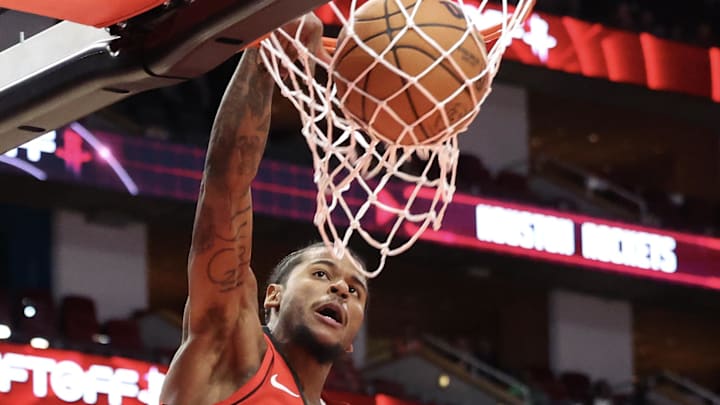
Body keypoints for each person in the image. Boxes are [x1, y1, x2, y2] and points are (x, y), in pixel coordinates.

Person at [159, 13, 369, 405]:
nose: (341, 288)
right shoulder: (232, 352)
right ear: (271, 297)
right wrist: (264, 53)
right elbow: (225, 187)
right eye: (321, 273)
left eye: (355, 291)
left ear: (351, 342)